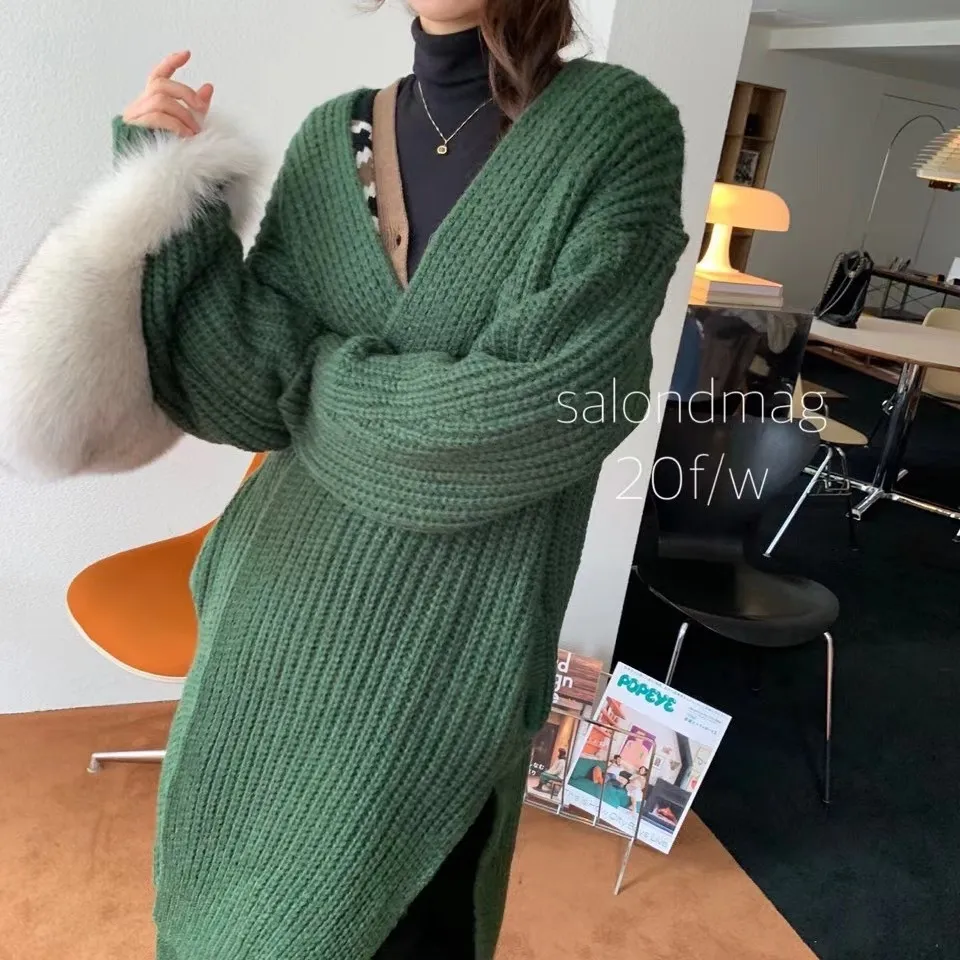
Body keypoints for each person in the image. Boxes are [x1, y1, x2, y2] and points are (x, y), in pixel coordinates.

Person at [0, 1, 687, 957]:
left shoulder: (617, 127)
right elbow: (247, 388)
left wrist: (316, 381)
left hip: (452, 637)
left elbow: (550, 408)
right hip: (270, 603)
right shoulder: (336, 138)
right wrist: (169, 193)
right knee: (222, 920)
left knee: (397, 922)